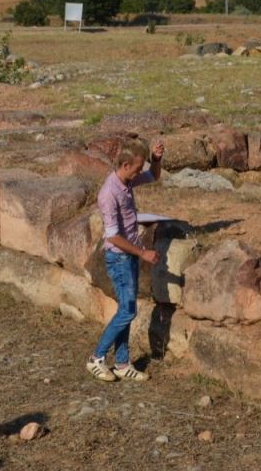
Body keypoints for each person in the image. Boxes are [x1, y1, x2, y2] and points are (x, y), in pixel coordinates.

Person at [86, 138, 164, 382]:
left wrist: (156, 159)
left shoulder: (126, 181)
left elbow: (153, 176)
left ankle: (121, 363)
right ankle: (96, 358)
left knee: (125, 310)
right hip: (119, 258)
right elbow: (112, 236)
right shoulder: (109, 194)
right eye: (137, 168)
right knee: (128, 312)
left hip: (128, 255)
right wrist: (142, 253)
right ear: (126, 164)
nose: (140, 173)